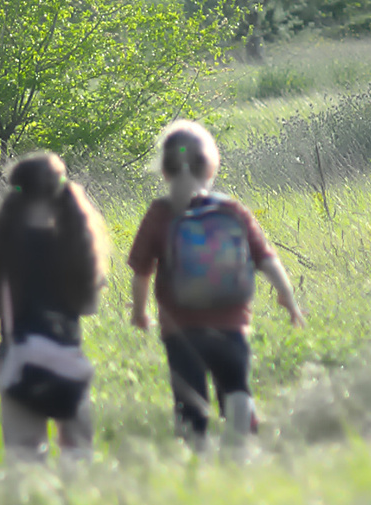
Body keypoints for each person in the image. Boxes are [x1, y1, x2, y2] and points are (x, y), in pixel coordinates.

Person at [127, 120, 304, 450]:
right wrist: (288, 298)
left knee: (190, 399)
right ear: (210, 168)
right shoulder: (230, 209)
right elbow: (266, 258)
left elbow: (141, 271)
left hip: (180, 330)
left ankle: (196, 453)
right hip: (231, 324)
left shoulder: (160, 213)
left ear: (164, 171)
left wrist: (139, 312)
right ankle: (240, 443)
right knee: (235, 385)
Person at [0, 152, 109, 462]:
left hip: (19, 361)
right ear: (60, 189)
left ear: (16, 191)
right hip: (67, 360)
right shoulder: (77, 243)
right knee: (78, 455)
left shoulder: (2, 245)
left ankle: (30, 493)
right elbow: (89, 307)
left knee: (25, 458)